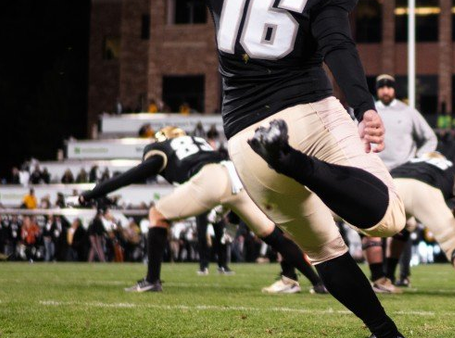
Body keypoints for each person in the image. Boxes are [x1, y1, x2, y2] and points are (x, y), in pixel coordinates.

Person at [22, 0, 411, 338]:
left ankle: (387, 334)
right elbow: (336, 43)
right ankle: (304, 166)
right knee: (388, 220)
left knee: (324, 249)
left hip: (247, 140)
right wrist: (363, 105)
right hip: (310, 112)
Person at [78, 125, 323, 293]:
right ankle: (317, 283)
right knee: (270, 233)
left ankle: (152, 280)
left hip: (210, 179)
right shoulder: (198, 142)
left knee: (157, 214)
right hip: (234, 174)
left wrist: (91, 194)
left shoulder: (161, 149)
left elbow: (129, 177)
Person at [366, 74, 438, 292]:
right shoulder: (369, 111)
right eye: (381, 87)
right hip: (376, 173)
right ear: (377, 90)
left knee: (404, 225)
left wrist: (418, 159)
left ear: (395, 89)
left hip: (403, 175)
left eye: (389, 86)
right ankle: (379, 277)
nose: (385, 90)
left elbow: (430, 138)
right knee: (372, 222)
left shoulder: (408, 112)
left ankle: (390, 274)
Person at [387, 154, 455, 287]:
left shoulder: (409, 163)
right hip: (425, 189)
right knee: (453, 245)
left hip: (391, 185)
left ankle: (384, 278)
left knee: (400, 227)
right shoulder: (450, 167)